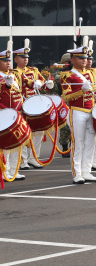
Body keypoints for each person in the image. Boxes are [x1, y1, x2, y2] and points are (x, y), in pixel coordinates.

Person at [62, 37, 96, 184]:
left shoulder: (93, 72)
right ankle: (77, 173)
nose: (84, 60)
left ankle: (87, 171)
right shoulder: (67, 75)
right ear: (73, 59)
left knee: (91, 142)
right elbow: (66, 96)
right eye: (80, 58)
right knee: (78, 143)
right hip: (77, 111)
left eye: (85, 58)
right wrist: (81, 91)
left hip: (92, 111)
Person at [14, 40, 49, 170]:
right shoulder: (14, 72)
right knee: (24, 132)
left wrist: (45, 84)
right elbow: (21, 84)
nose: (25, 60)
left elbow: (43, 81)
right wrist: (32, 83)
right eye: (22, 58)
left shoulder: (34, 70)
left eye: (27, 58)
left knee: (39, 131)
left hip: (35, 105)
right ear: (16, 59)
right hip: (23, 105)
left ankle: (34, 157)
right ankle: (23, 160)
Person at [1, 43, 25, 181]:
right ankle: (6, 170)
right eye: (5, 61)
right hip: (5, 114)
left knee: (17, 143)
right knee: (6, 144)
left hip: (17, 114)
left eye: (9, 61)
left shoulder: (12, 76)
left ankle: (14, 169)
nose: (8, 63)